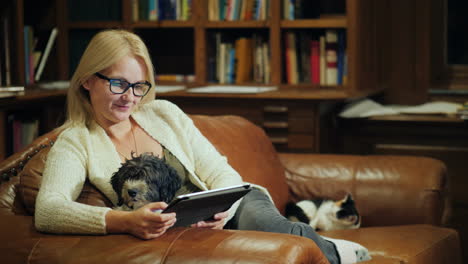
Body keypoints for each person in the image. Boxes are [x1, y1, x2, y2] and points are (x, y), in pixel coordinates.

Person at [35, 29, 369, 264]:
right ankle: (335, 253)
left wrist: (223, 210)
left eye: (138, 86)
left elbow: (220, 171)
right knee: (283, 245)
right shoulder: (76, 141)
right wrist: (122, 221)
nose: (129, 97)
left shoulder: (164, 113)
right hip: (181, 233)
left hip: (229, 206)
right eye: (118, 83)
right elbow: (48, 210)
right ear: (87, 80)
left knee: (282, 233)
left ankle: (331, 253)